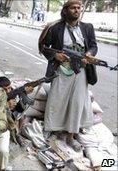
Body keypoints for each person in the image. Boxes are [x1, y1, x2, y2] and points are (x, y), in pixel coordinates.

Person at [38, 0, 97, 151]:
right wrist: (55, 55)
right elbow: (44, 47)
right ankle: (51, 129)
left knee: (77, 103)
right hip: (61, 69)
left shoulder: (88, 27)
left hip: (81, 69)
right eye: (73, 8)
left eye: (79, 8)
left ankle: (71, 136)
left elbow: (93, 45)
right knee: (56, 99)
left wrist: (89, 54)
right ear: (66, 10)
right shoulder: (55, 28)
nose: (76, 10)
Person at [0, 76, 33, 147]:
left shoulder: (13, 92)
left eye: (9, 88)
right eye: (5, 89)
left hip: (13, 112)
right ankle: (16, 135)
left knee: (23, 116)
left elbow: (19, 102)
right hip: (2, 115)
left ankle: (18, 133)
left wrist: (26, 92)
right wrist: (7, 105)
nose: (8, 91)